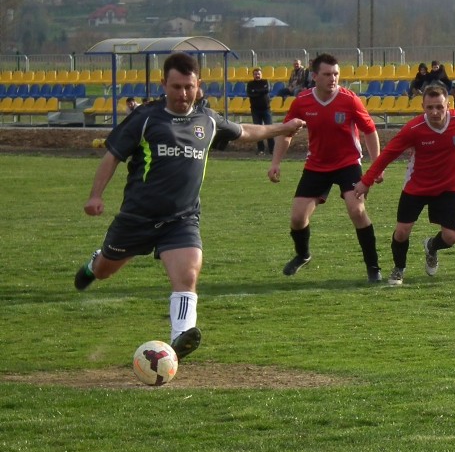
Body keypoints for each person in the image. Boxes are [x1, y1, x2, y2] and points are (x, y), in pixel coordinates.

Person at [76, 52, 304, 361]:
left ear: (199, 85)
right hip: (137, 217)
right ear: (163, 85)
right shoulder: (145, 118)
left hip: (181, 219)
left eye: (189, 87)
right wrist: (95, 196)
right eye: (176, 87)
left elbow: (245, 131)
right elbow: (112, 155)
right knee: (104, 272)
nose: (183, 94)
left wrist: (281, 128)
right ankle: (95, 262)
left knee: (188, 274)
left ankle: (179, 338)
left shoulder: (207, 119)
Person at [353, 84, 455, 286]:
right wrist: (366, 181)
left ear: (448, 104)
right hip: (416, 186)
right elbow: (388, 154)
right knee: (402, 231)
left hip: (448, 188)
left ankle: (431, 246)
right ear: (423, 106)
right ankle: (398, 269)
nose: (435, 112)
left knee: (451, 238)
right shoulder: (413, 129)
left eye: (439, 107)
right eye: (429, 108)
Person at [268, 53, 384, 283]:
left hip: (348, 164)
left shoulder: (350, 100)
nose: (333, 78)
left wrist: (376, 166)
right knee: (298, 217)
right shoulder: (302, 101)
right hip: (317, 166)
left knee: (357, 210)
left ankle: (373, 267)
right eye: (327, 74)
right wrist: (275, 163)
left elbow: (370, 131)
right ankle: (303, 255)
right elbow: (286, 132)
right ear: (314, 76)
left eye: (336, 74)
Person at [246, 67, 273, 155]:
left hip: (266, 109)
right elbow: (250, 94)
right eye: (255, 74)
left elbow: (267, 90)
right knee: (257, 131)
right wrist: (260, 91)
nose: (257, 75)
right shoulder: (250, 83)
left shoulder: (265, 81)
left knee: (269, 130)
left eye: (258, 74)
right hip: (255, 110)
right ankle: (261, 149)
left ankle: (272, 149)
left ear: (261, 74)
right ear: (253, 75)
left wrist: (256, 91)